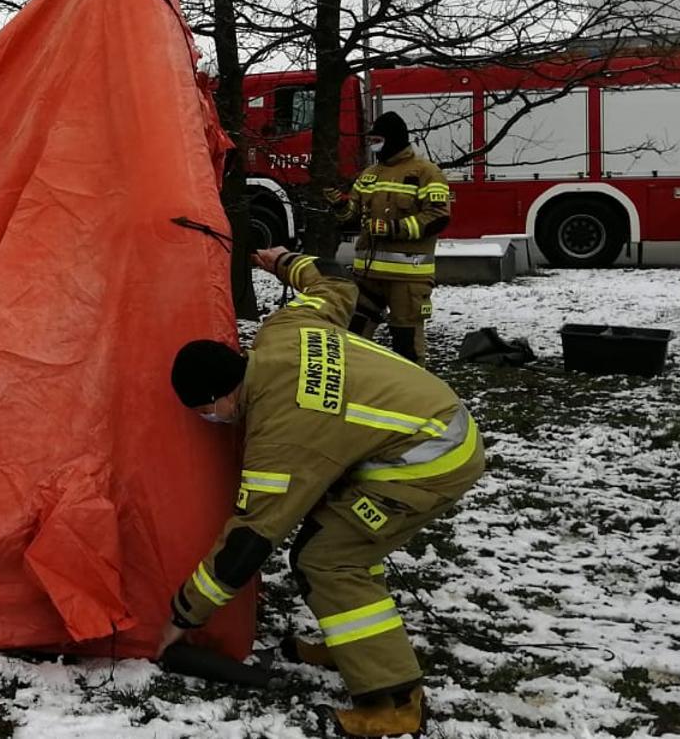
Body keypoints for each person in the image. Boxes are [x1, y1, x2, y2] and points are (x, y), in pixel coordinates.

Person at [159, 246, 485, 737]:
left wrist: (184, 615)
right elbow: (335, 285)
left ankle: (395, 703)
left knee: (329, 560)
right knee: (334, 540)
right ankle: (355, 647)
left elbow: (250, 538)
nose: (211, 421)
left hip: (431, 459)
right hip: (432, 420)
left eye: (206, 413)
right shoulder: (283, 330)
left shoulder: (281, 434)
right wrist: (283, 261)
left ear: (220, 398)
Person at [328, 111, 452, 364]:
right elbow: (352, 218)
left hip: (407, 279)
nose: (374, 145)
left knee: (406, 347)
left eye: (378, 140)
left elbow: (438, 217)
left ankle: (413, 390)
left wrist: (393, 228)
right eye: (372, 140)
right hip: (367, 277)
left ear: (393, 139)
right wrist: (340, 206)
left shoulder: (426, 173)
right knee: (353, 339)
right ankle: (357, 384)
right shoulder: (369, 174)